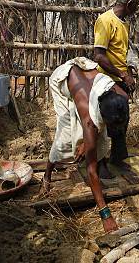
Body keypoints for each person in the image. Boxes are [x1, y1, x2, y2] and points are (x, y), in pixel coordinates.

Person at [43, 57, 129, 233]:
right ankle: (47, 175)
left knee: (100, 136)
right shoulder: (89, 119)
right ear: (99, 116)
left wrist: (90, 140)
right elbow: (91, 171)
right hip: (63, 81)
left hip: (84, 70)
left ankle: (98, 155)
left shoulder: (121, 96)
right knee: (65, 134)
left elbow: (106, 124)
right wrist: (105, 214)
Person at [93, 0, 139, 166]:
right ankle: (100, 163)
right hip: (106, 79)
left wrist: (129, 73)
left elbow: (123, 52)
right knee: (107, 122)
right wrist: (122, 74)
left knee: (123, 119)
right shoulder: (105, 20)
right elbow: (99, 55)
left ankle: (117, 158)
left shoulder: (124, 23)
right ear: (129, 4)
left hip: (119, 79)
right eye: (136, 6)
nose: (136, 10)